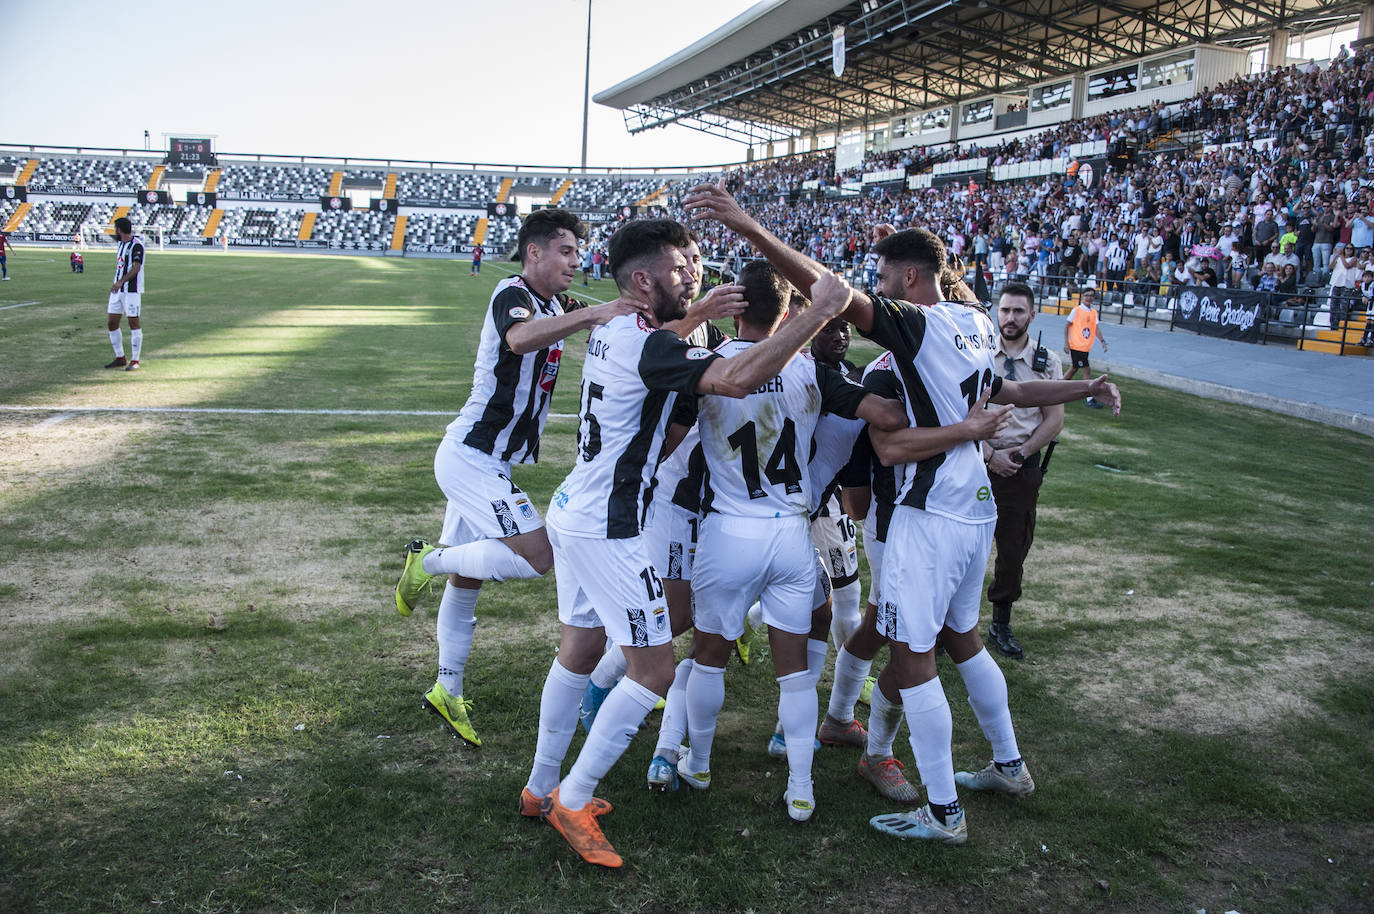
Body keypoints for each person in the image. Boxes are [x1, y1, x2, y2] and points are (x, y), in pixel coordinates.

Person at [682, 181, 1121, 846]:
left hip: (926, 516)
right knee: (962, 641)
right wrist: (1084, 386)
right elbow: (1013, 388)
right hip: (975, 513)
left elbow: (828, 291)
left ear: (910, 275)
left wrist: (748, 226)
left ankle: (943, 812)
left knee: (914, 659)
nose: (877, 288)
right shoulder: (974, 324)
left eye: (884, 276)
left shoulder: (915, 326)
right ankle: (1008, 764)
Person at [521, 218, 855, 868]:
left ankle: (539, 788)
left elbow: (675, 350)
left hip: (573, 506)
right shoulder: (653, 345)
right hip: (611, 526)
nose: (693, 274)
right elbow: (734, 379)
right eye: (680, 269)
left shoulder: (620, 329)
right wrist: (815, 315)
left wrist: (696, 311)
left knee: (580, 650)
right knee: (654, 669)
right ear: (644, 281)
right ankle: (573, 798)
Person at [392, 209, 644, 748]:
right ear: (534, 253)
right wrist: (592, 313)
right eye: (566, 252)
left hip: (491, 460)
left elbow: (603, 319)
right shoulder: (513, 293)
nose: (575, 262)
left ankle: (446, 688)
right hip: (471, 456)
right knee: (540, 556)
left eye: (578, 253)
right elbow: (520, 339)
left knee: (471, 577)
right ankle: (425, 561)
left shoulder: (555, 302)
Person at [671, 261, 904, 823]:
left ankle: (698, 762)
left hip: (728, 529)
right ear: (787, 312)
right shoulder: (814, 373)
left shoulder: (708, 365)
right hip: (792, 533)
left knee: (708, 659)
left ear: (736, 307)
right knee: (794, 671)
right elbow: (885, 414)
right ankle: (801, 787)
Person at [984, 282, 1065, 660]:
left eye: (1018, 311)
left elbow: (1055, 419)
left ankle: (1001, 622)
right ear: (996, 313)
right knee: (959, 546)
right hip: (977, 463)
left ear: (1032, 314)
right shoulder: (981, 352)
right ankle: (952, 626)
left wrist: (1020, 454)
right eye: (1005, 310)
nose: (1010, 318)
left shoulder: (1047, 361)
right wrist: (988, 454)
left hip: (1021, 467)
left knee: (1013, 549)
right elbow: (962, 408)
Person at [105, 217, 145, 371]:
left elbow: (136, 268)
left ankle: (135, 360)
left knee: (133, 323)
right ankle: (120, 357)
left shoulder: (137, 246)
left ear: (119, 230)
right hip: (117, 291)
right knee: (112, 323)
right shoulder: (121, 244)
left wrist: (120, 282)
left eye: (116, 229)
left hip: (131, 291)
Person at [1063, 287, 1108, 407]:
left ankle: (1057, 388)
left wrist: (1102, 341)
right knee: (1086, 370)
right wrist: (1066, 343)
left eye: (1091, 295)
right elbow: (1067, 326)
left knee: (1073, 369)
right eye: (1087, 295)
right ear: (1083, 296)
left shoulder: (1093, 312)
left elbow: (1096, 328)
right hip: (1077, 346)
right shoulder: (1076, 310)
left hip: (1085, 347)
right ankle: (1089, 399)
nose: (1089, 298)